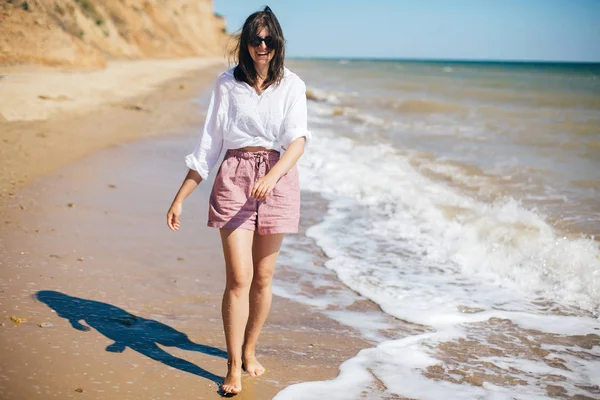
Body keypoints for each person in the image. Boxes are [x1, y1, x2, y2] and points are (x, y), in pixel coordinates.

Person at [166, 6, 310, 395]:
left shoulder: (292, 85)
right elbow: (209, 145)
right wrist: (180, 197)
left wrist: (273, 175)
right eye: (254, 39)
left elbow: (297, 140)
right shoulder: (226, 84)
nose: (261, 46)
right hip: (234, 178)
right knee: (239, 278)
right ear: (245, 44)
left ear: (278, 43)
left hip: (278, 177)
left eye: (268, 39)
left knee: (263, 279)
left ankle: (249, 350)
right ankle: (233, 368)